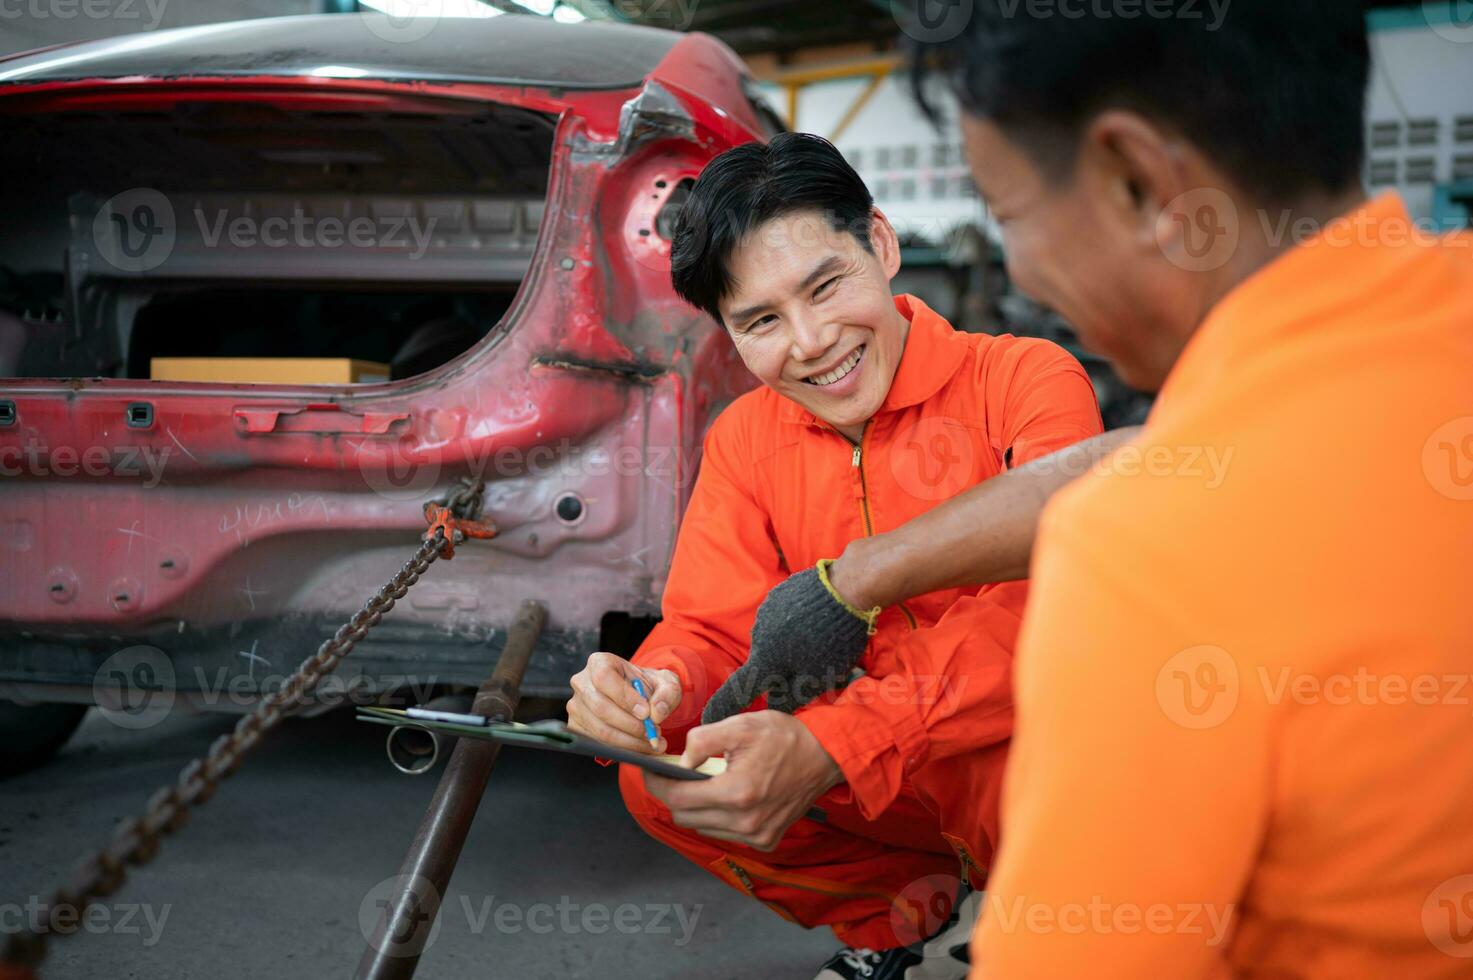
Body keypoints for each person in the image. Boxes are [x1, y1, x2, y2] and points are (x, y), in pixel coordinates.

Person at [765, 3, 1473, 976]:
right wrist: (861, 576)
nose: (1016, 265)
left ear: (1137, 182)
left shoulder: (1146, 555)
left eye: (1008, 213)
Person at [564, 132, 1104, 979]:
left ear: (879, 246)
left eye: (825, 286)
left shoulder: (1024, 381)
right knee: (662, 781)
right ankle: (892, 924)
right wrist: (653, 688)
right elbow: (711, 628)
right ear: (726, 335)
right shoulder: (743, 438)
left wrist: (836, 744)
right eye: (761, 322)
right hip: (865, 779)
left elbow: (1052, 613)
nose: (811, 341)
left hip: (1024, 770)